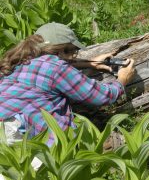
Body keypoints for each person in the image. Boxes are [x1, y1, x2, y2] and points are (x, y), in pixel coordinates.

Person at [0, 22, 135, 146]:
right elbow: (101, 96)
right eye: (73, 51)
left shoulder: (19, 61)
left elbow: (49, 69)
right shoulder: (56, 67)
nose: (74, 56)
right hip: (24, 134)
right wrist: (122, 80)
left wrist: (89, 63)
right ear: (61, 50)